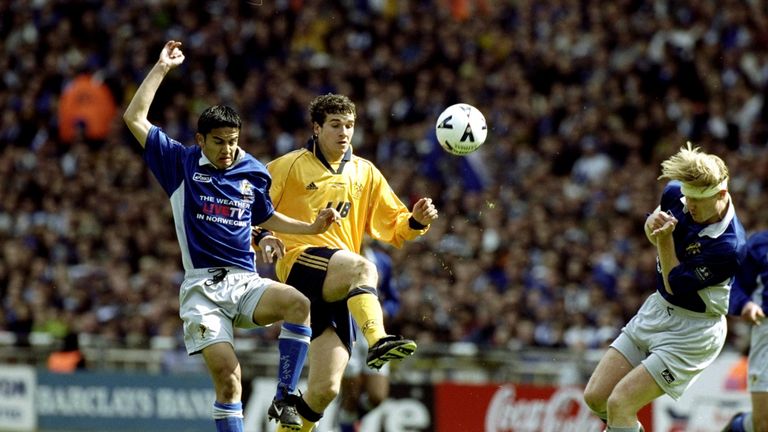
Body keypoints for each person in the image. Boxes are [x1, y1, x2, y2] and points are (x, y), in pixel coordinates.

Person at [123, 40, 340, 432]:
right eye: (219, 141)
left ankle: (284, 398)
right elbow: (134, 118)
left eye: (234, 141)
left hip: (245, 282)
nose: (228, 150)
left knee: (298, 304)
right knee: (230, 380)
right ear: (201, 139)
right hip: (203, 290)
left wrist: (308, 229)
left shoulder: (254, 171)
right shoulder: (180, 163)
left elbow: (265, 216)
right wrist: (161, 68)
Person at [264, 93, 438, 432]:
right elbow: (255, 210)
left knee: (324, 391)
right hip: (300, 264)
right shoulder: (288, 166)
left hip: (337, 281)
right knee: (363, 267)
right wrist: (263, 237)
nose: (344, 132)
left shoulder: (365, 173)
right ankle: (378, 341)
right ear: (316, 128)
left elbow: (394, 224)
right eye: (335, 125)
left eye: (349, 126)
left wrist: (416, 221)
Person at [582, 142, 747, 432]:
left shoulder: (729, 247)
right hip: (658, 308)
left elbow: (675, 285)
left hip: (693, 333)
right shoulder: (676, 193)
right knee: (596, 397)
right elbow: (652, 229)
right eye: (687, 197)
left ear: (721, 195)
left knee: (620, 403)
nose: (689, 205)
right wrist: (652, 225)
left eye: (697, 200)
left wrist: (664, 239)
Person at [337, 241, 401, 432]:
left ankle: (347, 421)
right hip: (347, 330)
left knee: (377, 396)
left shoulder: (382, 261)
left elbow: (392, 298)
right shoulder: (339, 260)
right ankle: (346, 424)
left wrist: (387, 311)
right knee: (352, 392)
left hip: (375, 333)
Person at [721, 230, 768, 432]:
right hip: (766, 332)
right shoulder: (760, 244)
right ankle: (739, 427)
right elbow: (733, 284)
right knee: (763, 423)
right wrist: (745, 305)